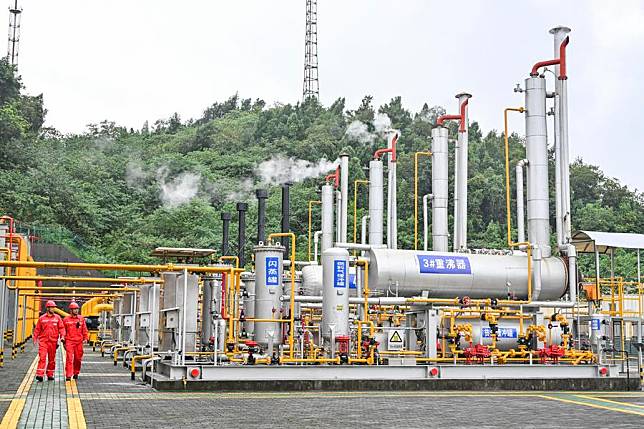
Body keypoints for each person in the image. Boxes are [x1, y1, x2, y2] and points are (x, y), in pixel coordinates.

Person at [32, 300, 66, 382]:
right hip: (43, 342)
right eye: (52, 307)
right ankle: (40, 375)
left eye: (54, 307)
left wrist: (62, 336)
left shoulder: (57, 318)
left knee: (51, 359)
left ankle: (50, 374)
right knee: (42, 358)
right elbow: (37, 329)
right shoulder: (42, 318)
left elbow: (61, 328)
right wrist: (35, 338)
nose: (53, 309)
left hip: (53, 342)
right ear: (48, 308)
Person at [63, 301, 88, 381]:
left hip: (79, 342)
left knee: (78, 358)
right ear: (71, 310)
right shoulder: (66, 320)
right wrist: (63, 339)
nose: (76, 311)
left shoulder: (81, 319)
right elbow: (63, 330)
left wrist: (86, 338)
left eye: (77, 309)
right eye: (74, 309)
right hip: (69, 341)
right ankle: (68, 375)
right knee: (69, 358)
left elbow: (84, 329)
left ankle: (76, 372)